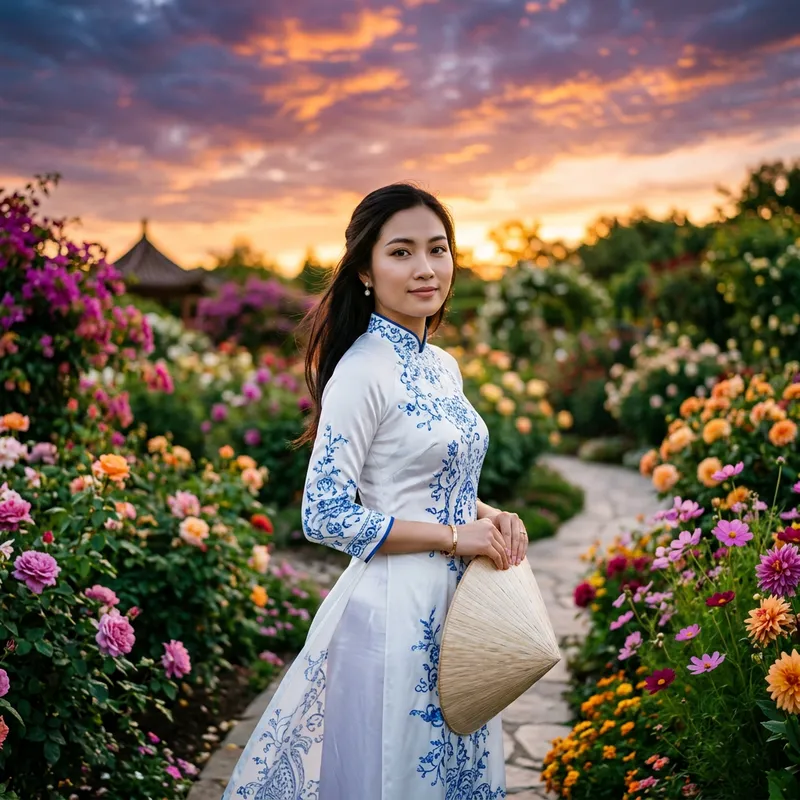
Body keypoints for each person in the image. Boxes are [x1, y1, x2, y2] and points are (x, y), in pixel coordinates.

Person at [223, 183, 528, 800]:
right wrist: (453, 536)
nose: (425, 268)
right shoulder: (363, 369)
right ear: (365, 269)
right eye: (401, 252)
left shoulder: (441, 365)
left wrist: (494, 516)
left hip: (465, 612)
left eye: (438, 249)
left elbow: (438, 482)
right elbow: (325, 515)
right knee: (400, 778)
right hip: (395, 614)